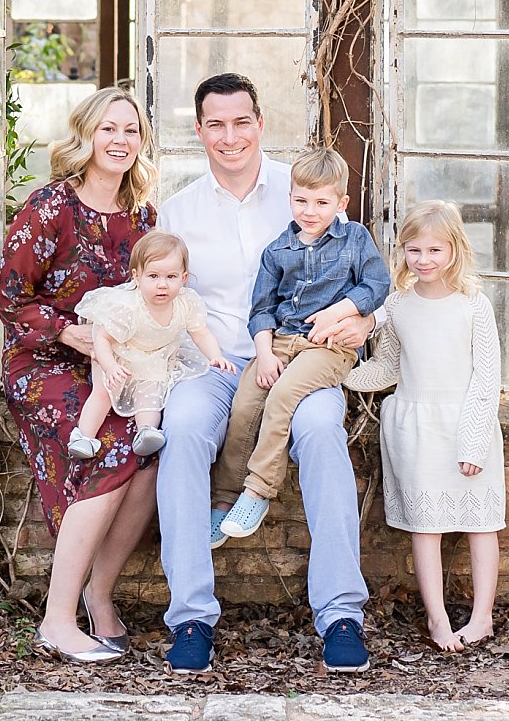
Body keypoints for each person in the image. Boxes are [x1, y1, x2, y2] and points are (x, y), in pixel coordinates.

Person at [155, 73, 377, 675]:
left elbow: (368, 275)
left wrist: (363, 320)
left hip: (301, 360)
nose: (230, 137)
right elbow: (161, 297)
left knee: (323, 432)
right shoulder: (178, 210)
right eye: (216, 125)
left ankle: (340, 614)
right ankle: (191, 617)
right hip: (213, 366)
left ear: (260, 123)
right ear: (199, 131)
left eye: (241, 122)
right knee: (182, 432)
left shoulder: (303, 189)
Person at [0, 86, 161, 664]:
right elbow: (10, 297)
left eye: (131, 130)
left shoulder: (143, 216)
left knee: (150, 455)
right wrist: (71, 333)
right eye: (108, 128)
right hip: (42, 362)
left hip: (113, 367)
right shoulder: (51, 207)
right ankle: (57, 620)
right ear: (86, 135)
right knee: (111, 446)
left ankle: (99, 593)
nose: (120, 140)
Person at [345, 200, 505, 653]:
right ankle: (437, 619)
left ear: (454, 249)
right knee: (426, 525)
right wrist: (338, 373)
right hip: (416, 429)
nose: (424, 259)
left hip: (465, 425)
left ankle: (482, 617)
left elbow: (486, 378)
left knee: (481, 523)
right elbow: (387, 367)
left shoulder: (473, 305)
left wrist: (473, 442)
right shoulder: (397, 305)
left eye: (435, 250)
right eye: (413, 250)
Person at [214, 149, 389, 542]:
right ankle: (225, 497)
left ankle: (258, 490)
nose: (310, 211)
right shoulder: (278, 250)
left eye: (322, 203)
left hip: (328, 347)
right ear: (290, 197)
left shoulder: (354, 238)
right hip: (280, 341)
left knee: (284, 396)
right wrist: (263, 354)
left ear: (341, 203)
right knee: (245, 403)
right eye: (301, 201)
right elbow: (262, 309)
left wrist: (338, 312)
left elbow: (377, 285)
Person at [71, 231, 237, 460]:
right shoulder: (128, 307)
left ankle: (146, 431)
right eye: (153, 276)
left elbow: (201, 334)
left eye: (171, 277)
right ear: (137, 277)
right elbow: (102, 339)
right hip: (116, 352)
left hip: (154, 354)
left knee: (151, 391)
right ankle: (83, 436)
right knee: (104, 392)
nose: (162, 285)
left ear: (184, 278)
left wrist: (215, 355)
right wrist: (110, 367)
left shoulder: (185, 303)